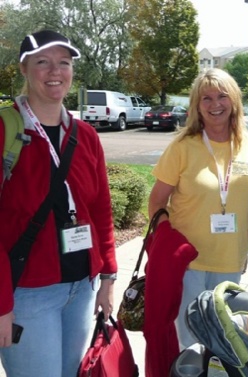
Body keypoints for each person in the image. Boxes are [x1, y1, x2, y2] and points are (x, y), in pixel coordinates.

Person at [0, 30, 117, 377]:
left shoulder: (85, 135)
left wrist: (107, 277)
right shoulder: (6, 130)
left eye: (63, 62)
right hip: (27, 294)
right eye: (42, 62)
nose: (55, 71)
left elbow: (101, 211)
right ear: (24, 68)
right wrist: (3, 303)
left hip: (81, 287)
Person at [148, 68, 248, 350]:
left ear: (234, 101)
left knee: (224, 340)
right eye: (206, 98)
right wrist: (169, 246)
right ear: (196, 106)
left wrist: (244, 249)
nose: (215, 105)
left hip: (229, 262)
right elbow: (156, 202)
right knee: (191, 342)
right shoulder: (182, 147)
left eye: (222, 96)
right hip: (189, 264)